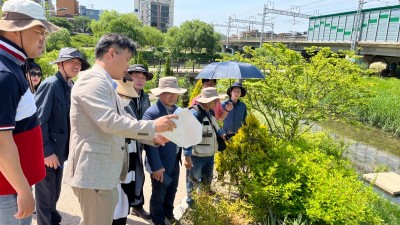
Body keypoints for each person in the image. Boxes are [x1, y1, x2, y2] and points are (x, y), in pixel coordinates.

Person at [63, 33, 178, 225]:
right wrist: (152, 126)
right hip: (95, 172)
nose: (127, 67)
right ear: (111, 54)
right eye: (127, 59)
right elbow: (109, 122)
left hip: (101, 172)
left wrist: (153, 136)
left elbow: (123, 119)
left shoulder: (105, 83)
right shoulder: (93, 81)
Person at [0, 0, 59, 224]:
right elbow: (1, 141)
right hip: (8, 189)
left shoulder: (12, 64)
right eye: (39, 30)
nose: (43, 37)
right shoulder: (5, 72)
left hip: (12, 184)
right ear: (15, 30)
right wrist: (23, 189)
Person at [34, 48, 90, 225]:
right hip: (48, 153)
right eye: (71, 61)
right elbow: (39, 121)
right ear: (60, 64)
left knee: (54, 193)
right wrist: (46, 152)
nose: (76, 65)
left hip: (60, 153)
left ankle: (53, 220)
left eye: (79, 62)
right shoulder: (50, 85)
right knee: (45, 198)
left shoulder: (70, 86)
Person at [143, 77, 187, 225]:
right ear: (160, 94)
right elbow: (148, 143)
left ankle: (168, 213)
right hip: (160, 162)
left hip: (174, 159)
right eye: (168, 92)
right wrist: (156, 166)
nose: (173, 96)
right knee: (159, 193)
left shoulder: (177, 111)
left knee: (172, 189)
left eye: (175, 93)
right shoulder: (152, 113)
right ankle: (158, 220)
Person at [184, 87, 226, 205]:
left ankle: (204, 198)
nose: (217, 102)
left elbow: (215, 125)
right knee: (193, 179)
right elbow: (188, 135)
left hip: (209, 153)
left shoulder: (210, 112)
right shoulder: (195, 113)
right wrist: (187, 155)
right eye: (215, 100)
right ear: (207, 101)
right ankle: (191, 201)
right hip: (197, 155)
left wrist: (221, 133)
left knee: (208, 178)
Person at [112, 77, 140, 225]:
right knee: (114, 202)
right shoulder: (111, 111)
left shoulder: (123, 109)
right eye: (124, 95)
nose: (126, 99)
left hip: (128, 160)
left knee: (124, 198)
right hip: (116, 162)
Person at [127, 64, 153, 219]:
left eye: (143, 77)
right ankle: (122, 208)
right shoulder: (122, 96)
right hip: (125, 144)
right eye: (136, 75)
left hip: (140, 143)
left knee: (139, 175)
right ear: (129, 76)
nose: (140, 79)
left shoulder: (145, 98)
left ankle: (137, 206)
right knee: (125, 177)